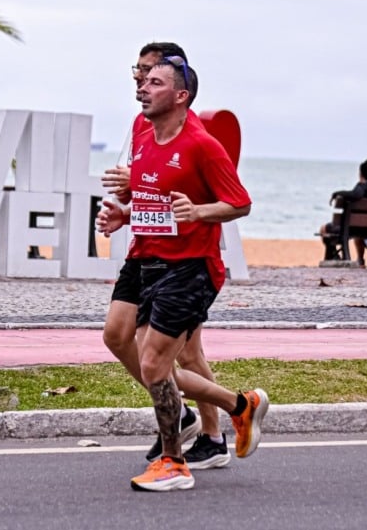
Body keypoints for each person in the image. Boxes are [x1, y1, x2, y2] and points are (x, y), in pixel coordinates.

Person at [97, 57, 268, 492]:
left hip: (191, 266)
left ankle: (175, 461)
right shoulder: (144, 135)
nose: (142, 86)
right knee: (140, 355)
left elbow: (240, 203)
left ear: (180, 96)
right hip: (148, 260)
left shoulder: (201, 145)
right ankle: (239, 406)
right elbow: (154, 198)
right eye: (142, 79)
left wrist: (199, 212)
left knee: (157, 363)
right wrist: (124, 215)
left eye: (154, 81)